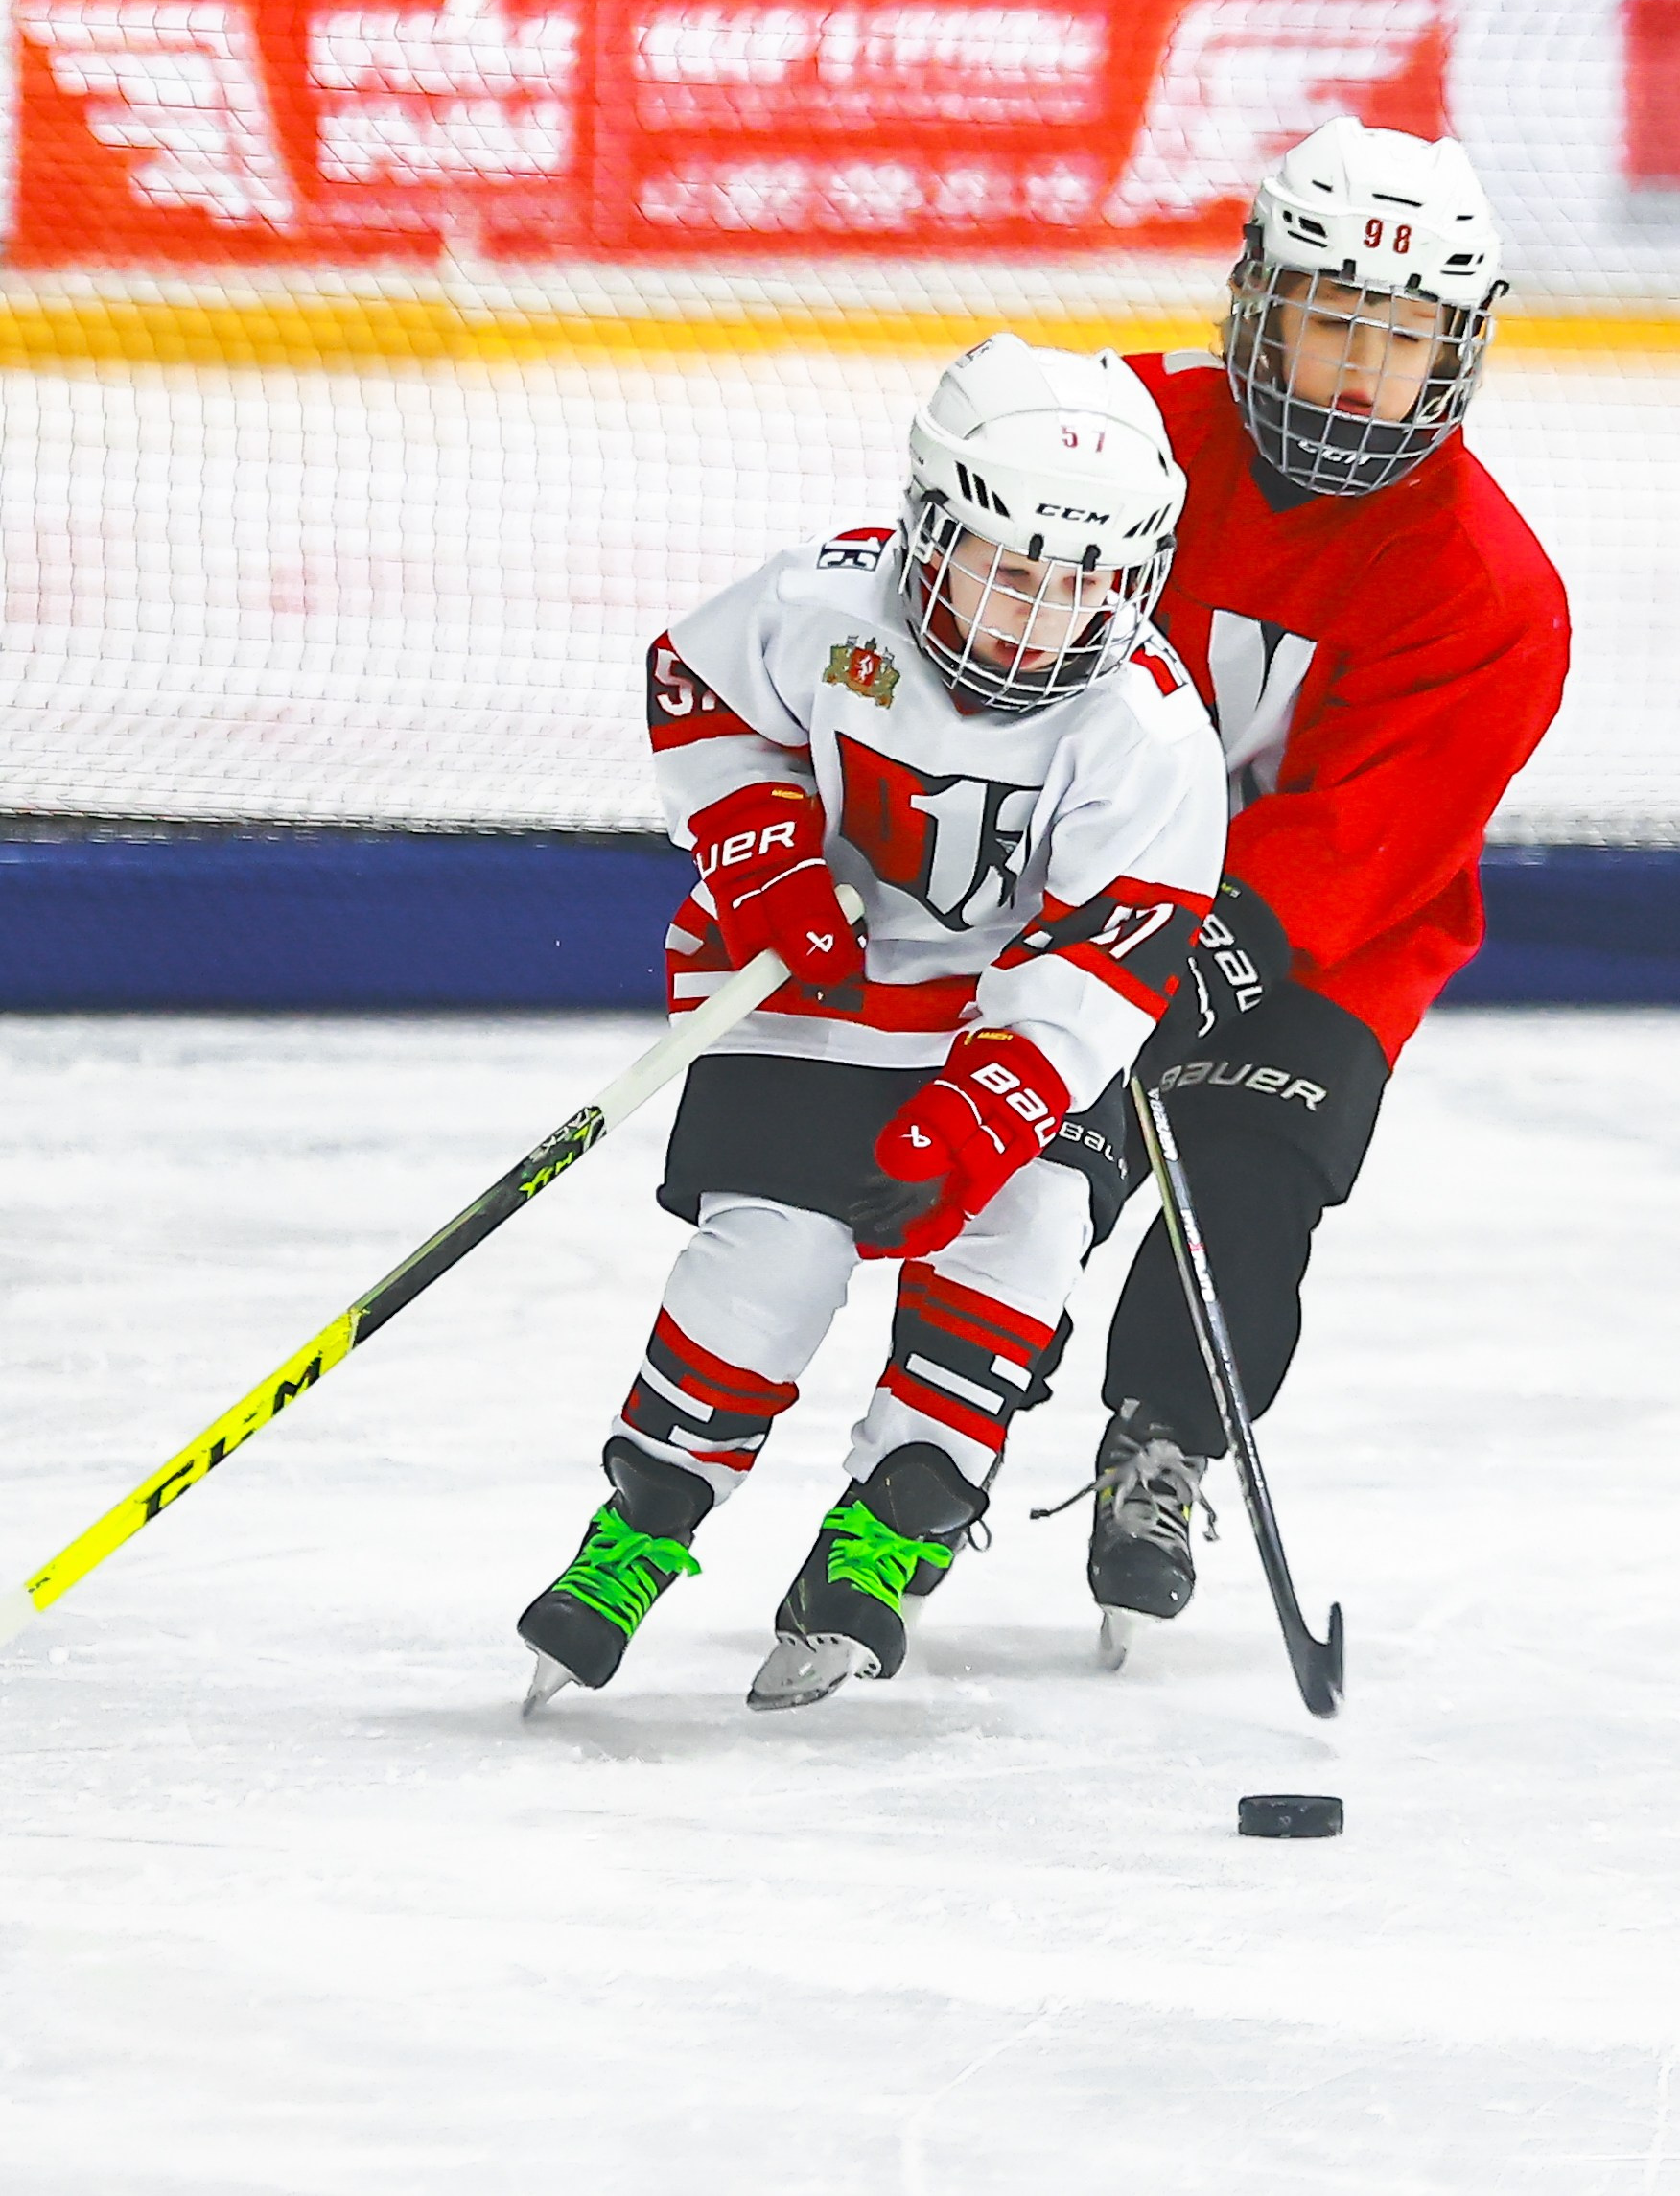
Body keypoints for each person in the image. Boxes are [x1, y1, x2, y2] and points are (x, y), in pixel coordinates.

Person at [516, 333, 1227, 1713]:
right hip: (810, 998)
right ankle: (641, 1524)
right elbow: (698, 688)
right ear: (932, 529)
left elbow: (1111, 946)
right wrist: (765, 849)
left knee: (1021, 1241)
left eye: (1085, 581)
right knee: (765, 1266)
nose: (1041, 616)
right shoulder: (822, 606)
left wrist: (994, 1097)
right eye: (1012, 570)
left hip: (999, 1035)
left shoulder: (1144, 731)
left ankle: (893, 1525)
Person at [1044, 116, 1571, 1661]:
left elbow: (1367, 835)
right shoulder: (1116, 436)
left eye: (1401, 335)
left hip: (1328, 952)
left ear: (1456, 355)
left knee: (1250, 1182)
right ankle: (937, 1435)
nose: (1358, 364)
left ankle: (1164, 1442)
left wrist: (1207, 952)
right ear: (1256, 302)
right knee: (1031, 1170)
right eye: (1330, 314)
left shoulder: (1489, 587)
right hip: (1088, 905)